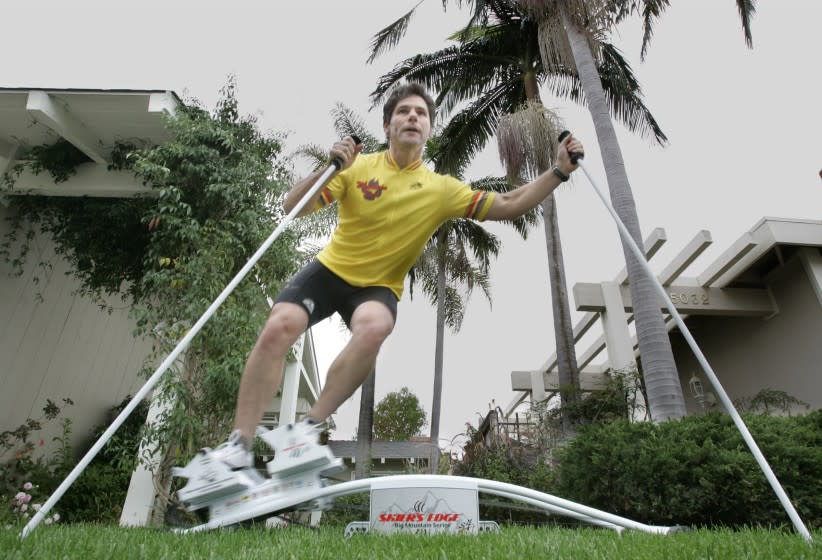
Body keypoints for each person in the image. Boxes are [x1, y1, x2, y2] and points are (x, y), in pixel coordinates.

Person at [211, 83, 584, 470]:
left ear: (428, 130)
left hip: (376, 288)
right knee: (278, 326)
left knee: (374, 326)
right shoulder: (356, 168)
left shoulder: (441, 190)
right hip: (331, 271)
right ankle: (239, 444)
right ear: (388, 126)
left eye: (421, 114)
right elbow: (292, 207)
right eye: (404, 112)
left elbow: (507, 204)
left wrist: (558, 171)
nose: (412, 117)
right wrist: (328, 168)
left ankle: (306, 432)